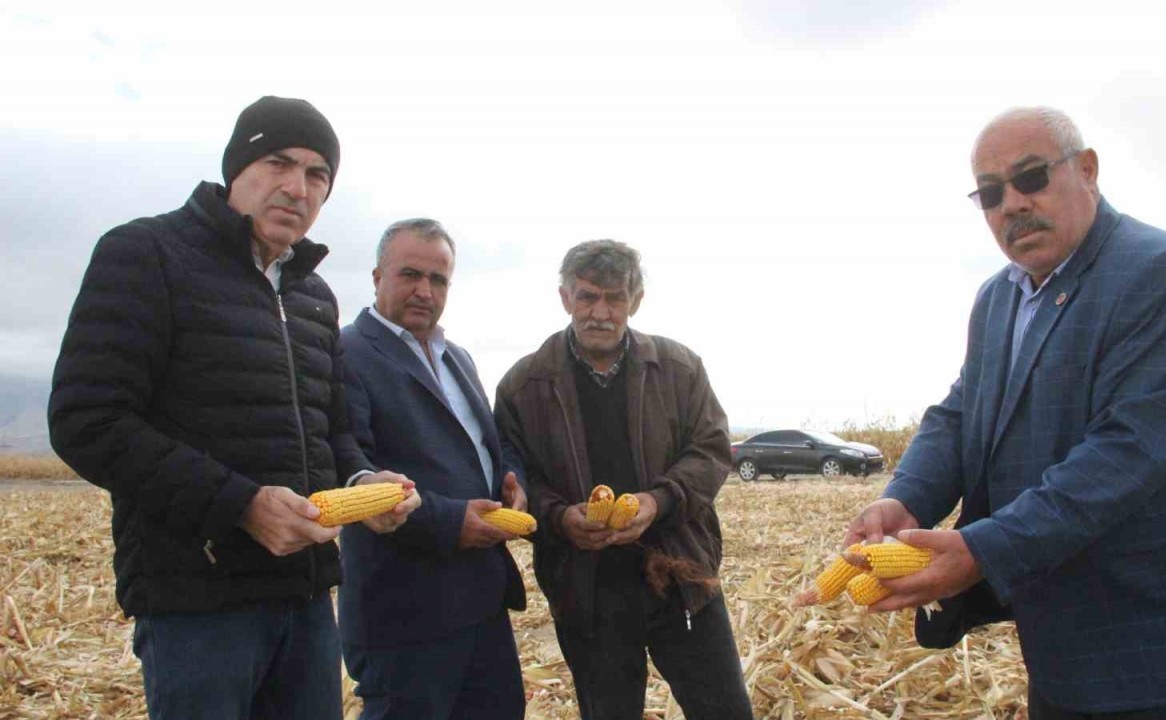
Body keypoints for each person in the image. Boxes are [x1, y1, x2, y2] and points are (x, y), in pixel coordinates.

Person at [844, 107, 1166, 718]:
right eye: (991, 194)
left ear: (1088, 170)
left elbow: (1125, 454)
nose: (1012, 204)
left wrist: (981, 551)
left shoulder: (1163, 275)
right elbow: (962, 414)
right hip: (1068, 654)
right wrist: (907, 497)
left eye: (1031, 178)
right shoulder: (999, 296)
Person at [47, 96, 421, 720]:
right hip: (196, 603)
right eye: (279, 163)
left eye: (317, 175)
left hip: (304, 598)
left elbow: (333, 431)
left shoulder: (312, 296)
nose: (297, 188)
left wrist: (363, 483)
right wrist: (241, 506)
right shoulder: (146, 255)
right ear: (236, 168)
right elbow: (88, 421)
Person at [495, 240, 754, 720]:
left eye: (615, 298)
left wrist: (657, 503)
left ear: (636, 300)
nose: (600, 312)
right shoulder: (523, 385)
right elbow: (517, 474)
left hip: (681, 575)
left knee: (726, 711)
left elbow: (711, 450)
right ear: (564, 297)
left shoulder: (679, 369)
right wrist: (558, 518)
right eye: (587, 296)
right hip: (587, 591)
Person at [336, 218, 528, 719]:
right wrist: (450, 521)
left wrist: (511, 481)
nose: (425, 291)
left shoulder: (457, 357)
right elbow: (346, 463)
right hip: (405, 613)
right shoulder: (346, 353)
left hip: (481, 601)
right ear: (378, 277)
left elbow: (488, 443)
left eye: (438, 279)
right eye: (410, 275)